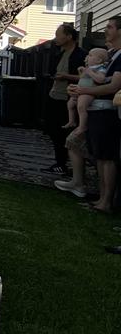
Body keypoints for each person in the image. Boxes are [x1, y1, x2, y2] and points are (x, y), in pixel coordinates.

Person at [55, 15, 121, 211]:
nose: (106, 30)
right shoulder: (111, 54)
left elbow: (114, 86)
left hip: (107, 112)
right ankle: (101, 198)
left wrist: (84, 91)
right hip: (96, 110)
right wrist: (77, 89)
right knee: (99, 156)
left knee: (106, 157)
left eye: (110, 27)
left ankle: (106, 201)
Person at [44, 23, 87, 175]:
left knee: (64, 132)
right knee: (53, 130)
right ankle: (59, 162)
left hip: (68, 99)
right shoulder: (59, 53)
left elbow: (85, 76)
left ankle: (64, 164)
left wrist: (66, 76)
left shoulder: (80, 55)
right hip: (55, 94)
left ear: (69, 37)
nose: (56, 38)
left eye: (58, 34)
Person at [66, 47, 109, 133]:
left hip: (89, 91)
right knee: (70, 104)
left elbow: (101, 79)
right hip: (81, 89)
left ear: (98, 60)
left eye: (90, 55)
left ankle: (82, 126)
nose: (87, 57)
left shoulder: (100, 68)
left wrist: (90, 72)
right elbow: (82, 78)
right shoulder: (89, 68)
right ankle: (72, 121)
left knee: (81, 106)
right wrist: (81, 72)